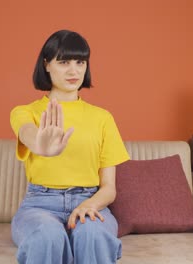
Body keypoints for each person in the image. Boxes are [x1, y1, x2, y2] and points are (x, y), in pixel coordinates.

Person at [10, 29, 130, 264]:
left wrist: (89, 205)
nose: (74, 70)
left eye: (80, 61)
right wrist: (41, 146)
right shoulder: (25, 112)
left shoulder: (102, 118)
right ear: (46, 65)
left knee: (93, 235)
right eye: (64, 62)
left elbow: (108, 188)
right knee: (47, 237)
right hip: (40, 205)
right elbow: (27, 132)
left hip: (90, 201)